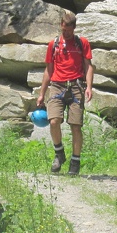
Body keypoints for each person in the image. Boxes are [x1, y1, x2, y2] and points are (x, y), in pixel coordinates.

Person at [36, 11, 94, 176]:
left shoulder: (82, 43)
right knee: (54, 121)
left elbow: (88, 66)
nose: (65, 33)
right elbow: (49, 69)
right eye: (63, 30)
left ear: (74, 28)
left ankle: (75, 161)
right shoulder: (53, 44)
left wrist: (89, 86)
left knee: (76, 126)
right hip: (57, 86)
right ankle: (59, 153)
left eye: (68, 30)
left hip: (76, 86)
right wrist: (42, 93)